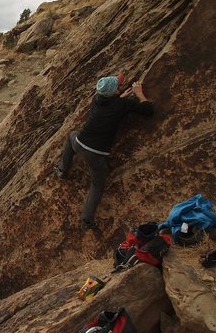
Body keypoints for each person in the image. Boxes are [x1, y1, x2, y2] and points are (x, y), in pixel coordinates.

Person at [55, 74, 154, 230]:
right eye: (117, 85)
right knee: (98, 185)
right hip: (95, 154)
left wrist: (119, 97)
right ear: (114, 91)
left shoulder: (97, 99)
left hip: (79, 142)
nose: (120, 84)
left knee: (71, 135)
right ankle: (87, 217)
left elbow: (109, 107)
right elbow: (148, 111)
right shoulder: (123, 105)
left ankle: (62, 169)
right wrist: (139, 93)